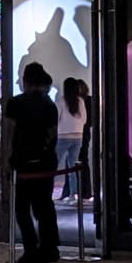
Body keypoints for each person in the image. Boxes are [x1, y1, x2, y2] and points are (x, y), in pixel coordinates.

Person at [4, 61, 60, 263]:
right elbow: (52, 135)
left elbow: (9, 134)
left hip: (22, 162)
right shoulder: (49, 105)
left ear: (25, 80)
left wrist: (6, 160)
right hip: (45, 162)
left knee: (21, 208)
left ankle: (31, 250)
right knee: (44, 205)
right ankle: (49, 249)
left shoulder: (15, 103)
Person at [57, 77, 92, 205]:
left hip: (63, 136)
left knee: (54, 164)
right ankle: (73, 194)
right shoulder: (81, 102)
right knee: (73, 166)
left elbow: (56, 117)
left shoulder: (61, 101)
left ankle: (47, 190)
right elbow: (84, 119)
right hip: (78, 136)